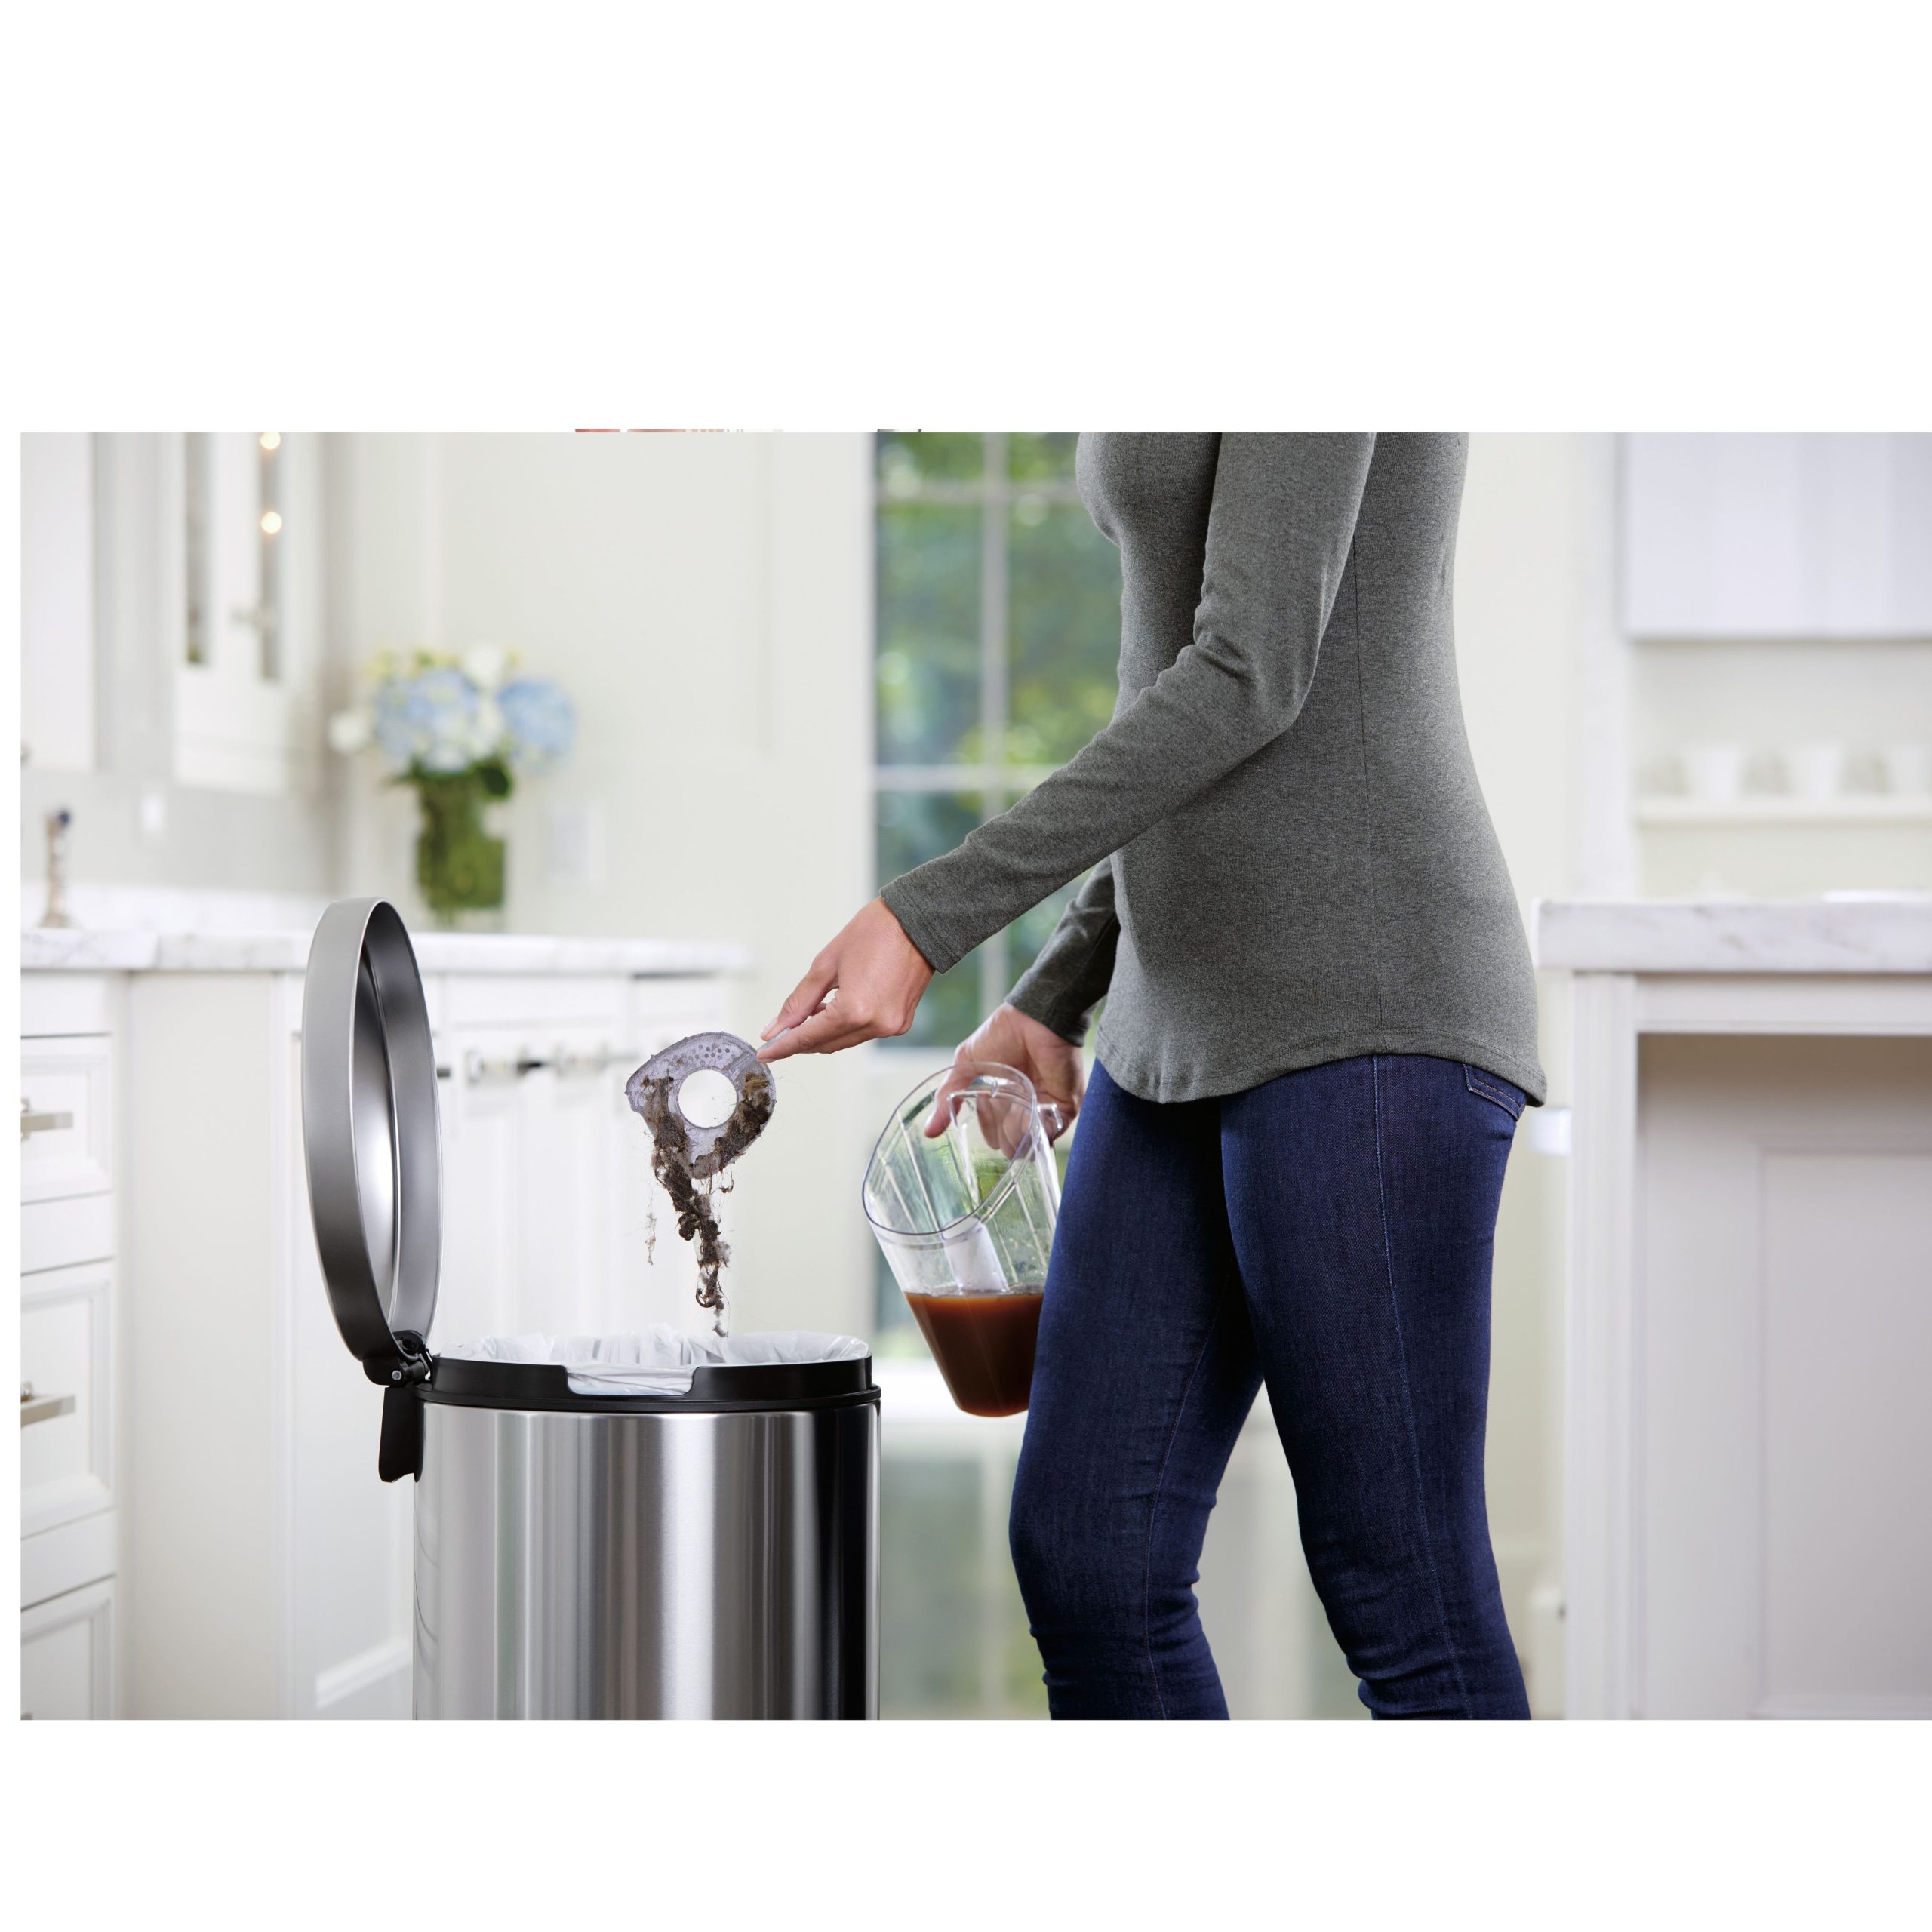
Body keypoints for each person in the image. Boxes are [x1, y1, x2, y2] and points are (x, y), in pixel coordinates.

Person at [760, 434, 1542, 1719]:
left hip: (1364, 998)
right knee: (1090, 1563)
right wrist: (1058, 986)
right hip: (1170, 1026)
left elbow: (1249, 674)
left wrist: (928, 915)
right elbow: (1170, 696)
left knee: (1400, 1588)